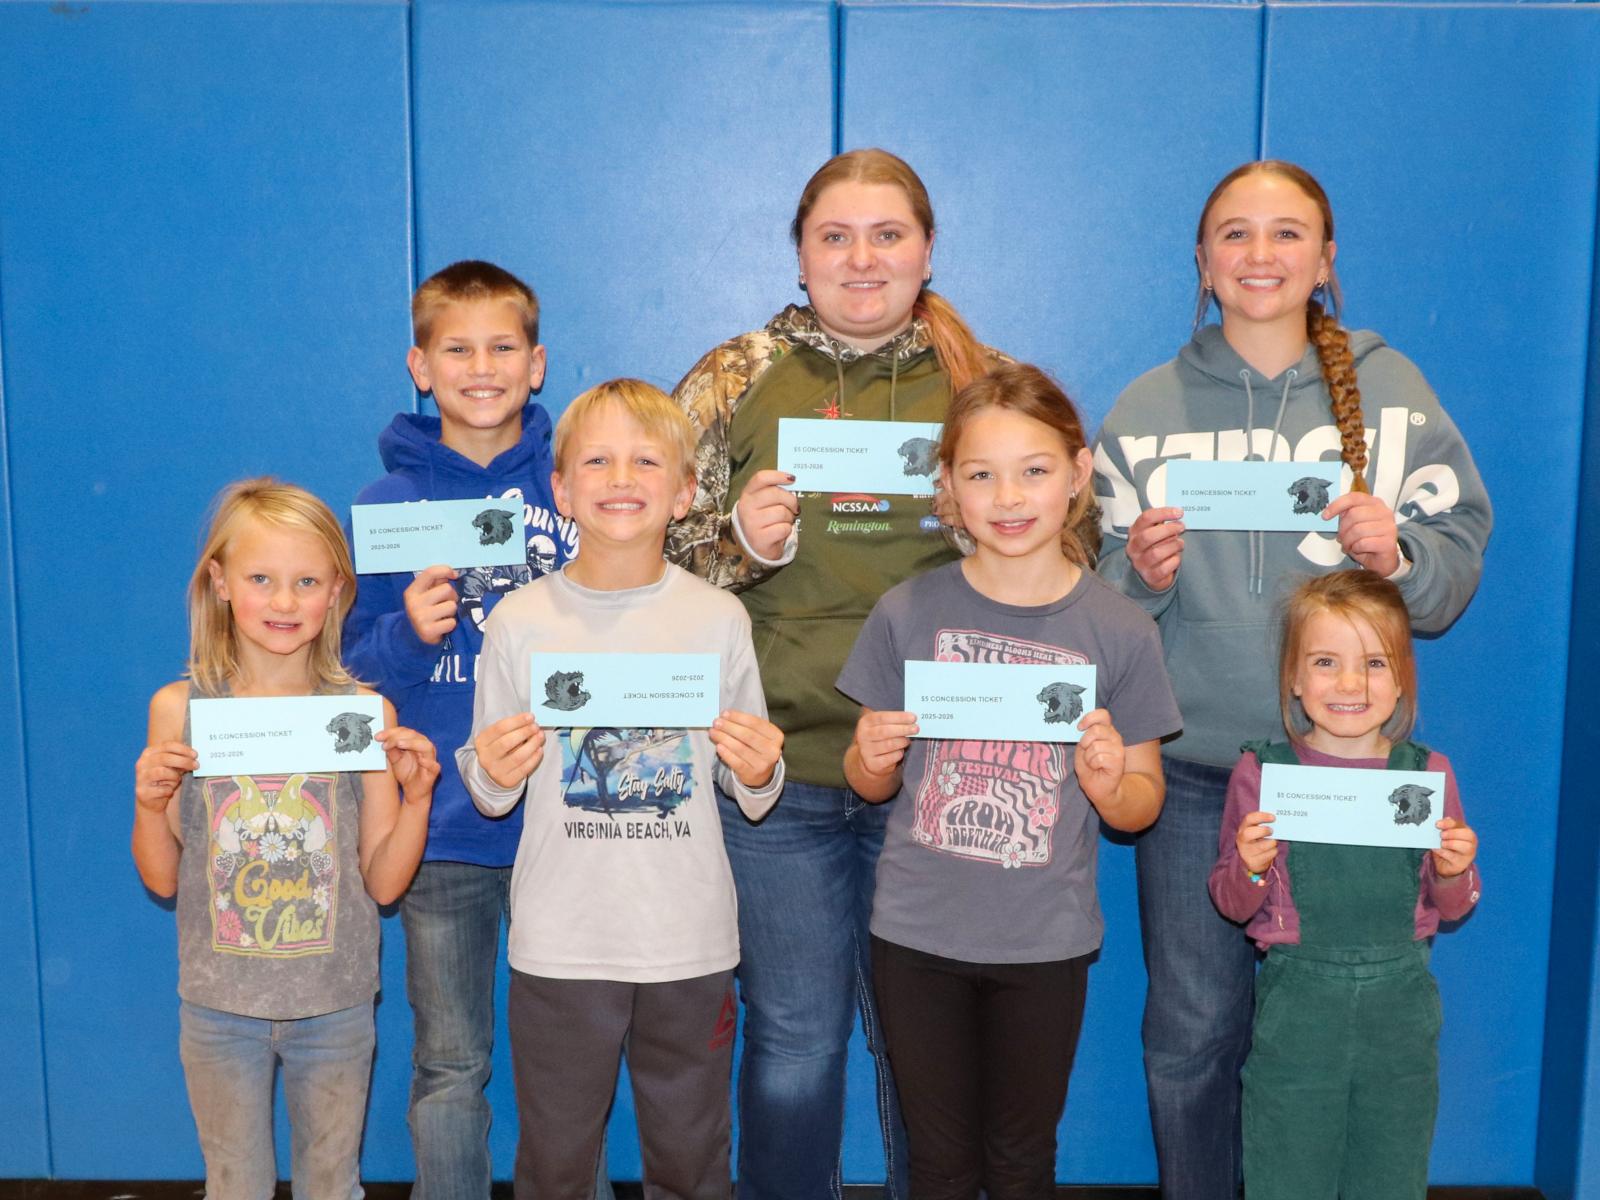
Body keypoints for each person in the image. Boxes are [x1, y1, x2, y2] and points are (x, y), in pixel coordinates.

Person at [1092, 160, 1492, 1199]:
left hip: (1350, 780)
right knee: (1190, 1035)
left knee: (1347, 1041)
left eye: (1284, 234)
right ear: (1200, 260)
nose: (1258, 255)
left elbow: (1454, 565)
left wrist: (1397, 554)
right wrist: (1132, 576)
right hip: (1191, 774)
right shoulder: (1144, 408)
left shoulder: (1391, 393)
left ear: (1325, 259)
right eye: (1233, 233)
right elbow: (1087, 601)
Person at [667, 146, 1015, 1200]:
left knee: (929, 1057)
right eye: (835, 236)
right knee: (794, 1041)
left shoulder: (976, 381)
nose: (860, 258)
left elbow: (1057, 550)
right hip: (781, 774)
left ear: (926, 248)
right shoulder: (731, 377)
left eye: (886, 234)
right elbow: (644, 554)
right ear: (801, 252)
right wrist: (739, 545)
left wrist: (983, 541)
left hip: (943, 771)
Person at [837, 363, 1181, 1198]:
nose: (1009, 496)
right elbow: (866, 780)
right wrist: (872, 759)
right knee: (939, 1160)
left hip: (1044, 940)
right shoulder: (907, 611)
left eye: (1033, 470)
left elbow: (1143, 801)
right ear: (948, 486)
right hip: (916, 936)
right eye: (980, 474)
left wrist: (1107, 784)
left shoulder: (1121, 629)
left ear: (1077, 472)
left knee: (1023, 1158)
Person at [458, 379, 787, 1199]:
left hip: (689, 940)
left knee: (691, 1156)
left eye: (646, 461)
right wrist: (491, 770)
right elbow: (490, 785)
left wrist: (759, 767)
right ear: (561, 489)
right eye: (597, 460)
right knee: (558, 1162)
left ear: (683, 493)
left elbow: (750, 778)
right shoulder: (520, 620)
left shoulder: (718, 619)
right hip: (562, 941)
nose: (621, 477)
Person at [342, 260, 586, 1200]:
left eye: (501, 347)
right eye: (457, 349)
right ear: (420, 365)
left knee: (569, 1069)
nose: (479, 367)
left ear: (536, 365)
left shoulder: (571, 498)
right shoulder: (384, 508)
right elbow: (350, 675)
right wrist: (409, 635)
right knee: (451, 1065)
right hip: (440, 831)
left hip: (569, 824)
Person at [133, 478, 438, 1199]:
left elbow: (385, 883)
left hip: (334, 1006)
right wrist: (148, 804)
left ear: (336, 591)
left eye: (305, 581)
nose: (283, 601)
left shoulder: (363, 713)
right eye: (261, 579)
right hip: (218, 1008)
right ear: (220, 583)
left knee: (331, 1185)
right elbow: (162, 878)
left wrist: (418, 799)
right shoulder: (179, 711)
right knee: (234, 1185)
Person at [1209, 569, 1481, 1198]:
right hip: (1299, 1003)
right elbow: (1229, 898)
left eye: (1375, 663)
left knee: (1391, 1167)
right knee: (1286, 1165)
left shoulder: (1427, 772)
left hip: (1400, 1008)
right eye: (1326, 662)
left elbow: (1455, 905)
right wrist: (1250, 863)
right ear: (1295, 680)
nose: (1351, 683)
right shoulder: (1263, 771)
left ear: (1402, 679)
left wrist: (1455, 869)